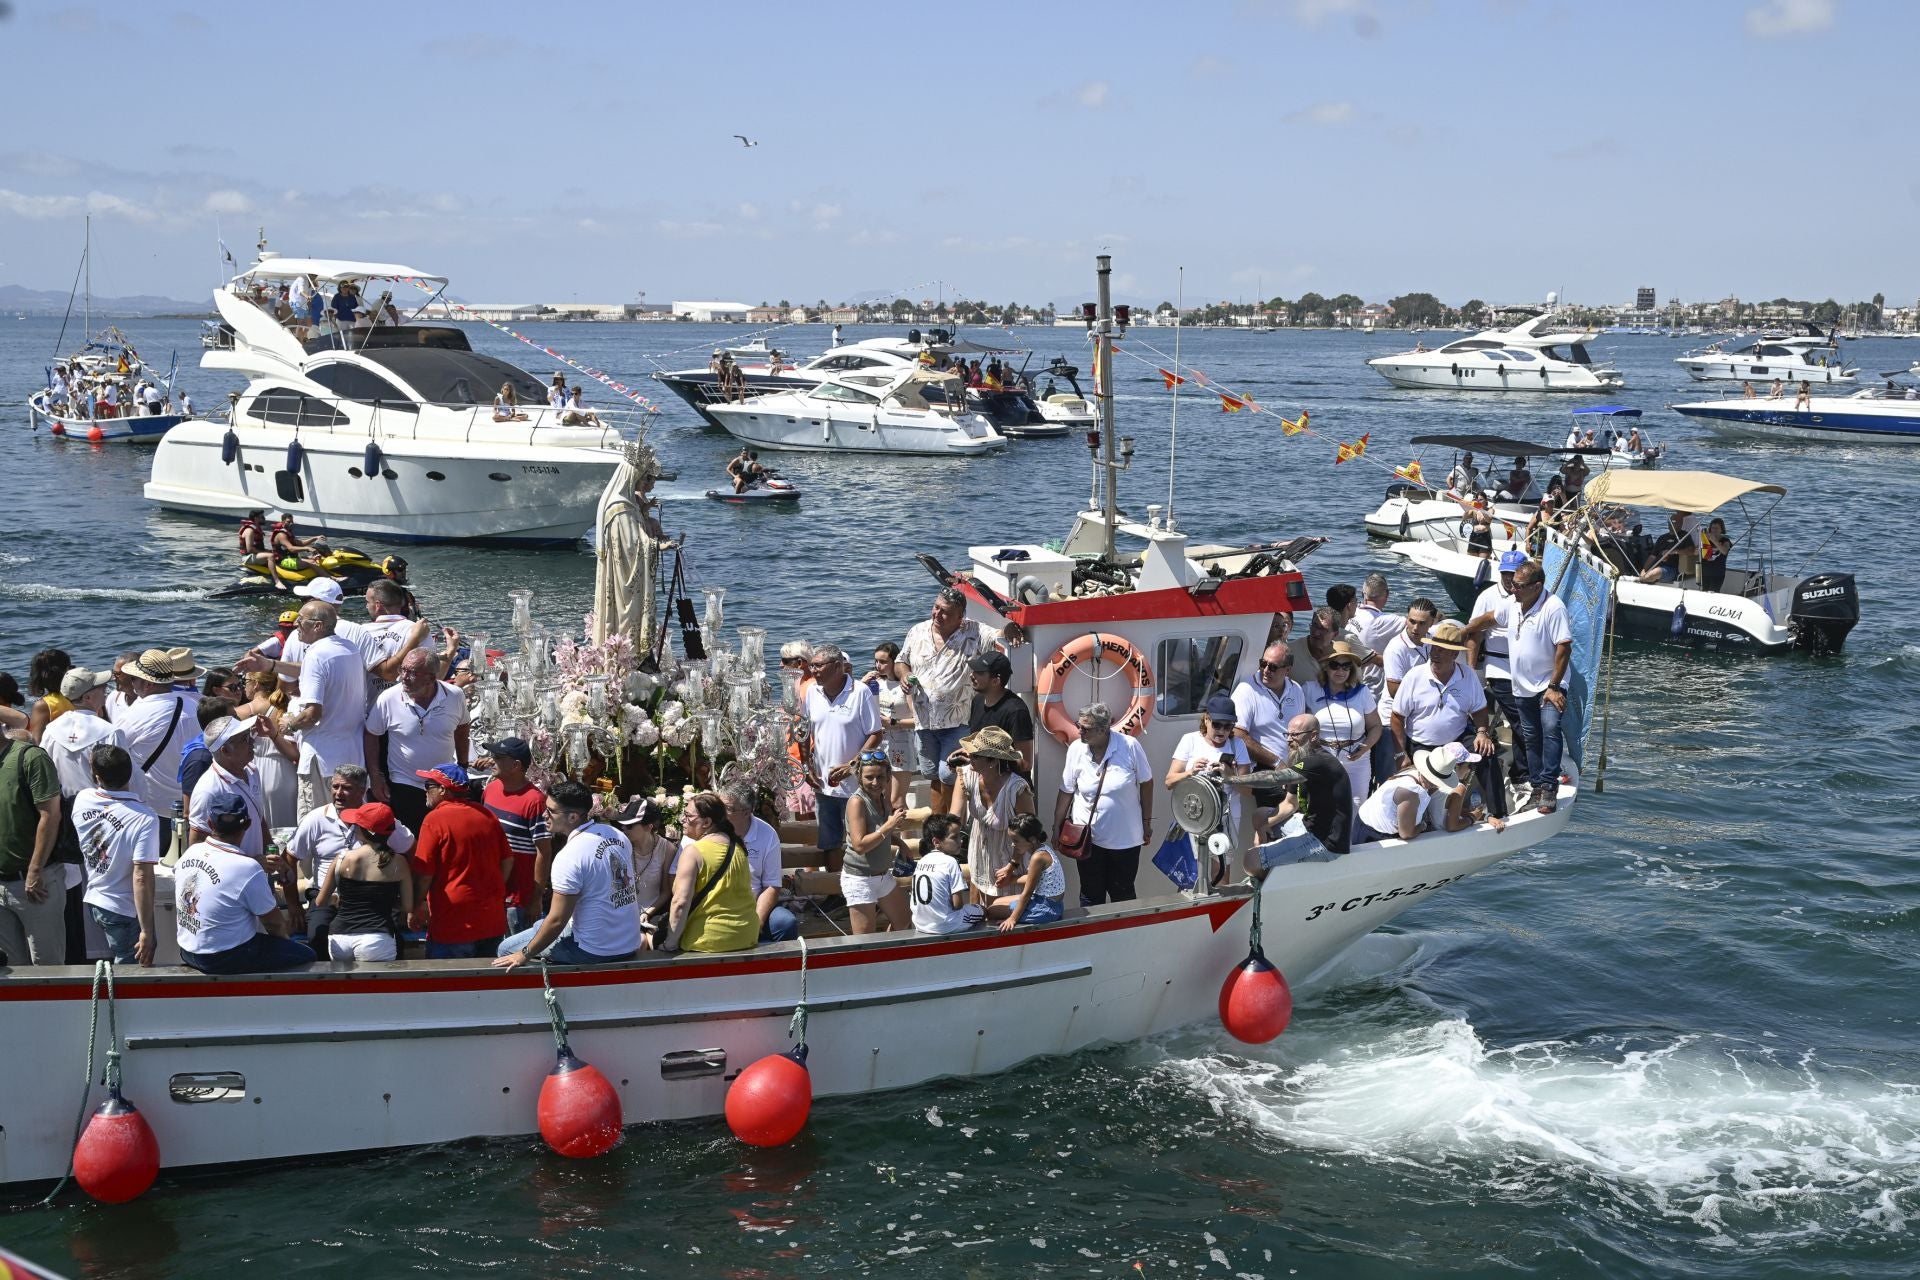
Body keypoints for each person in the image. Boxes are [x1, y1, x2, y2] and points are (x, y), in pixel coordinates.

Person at [495, 780, 640, 968]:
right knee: (539, 926)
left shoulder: (569, 857)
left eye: (550, 811)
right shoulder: (616, 834)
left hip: (591, 950)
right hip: (629, 942)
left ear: (573, 817)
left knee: (506, 949)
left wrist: (523, 954)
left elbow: (557, 921)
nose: (543, 815)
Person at [174, 794, 315, 974]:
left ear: (210, 823)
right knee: (308, 956)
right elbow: (274, 924)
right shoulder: (248, 868)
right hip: (223, 957)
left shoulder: (190, 852)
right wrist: (287, 947)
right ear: (247, 824)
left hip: (187, 951)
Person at [287, 763, 415, 957]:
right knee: (317, 935)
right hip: (326, 896)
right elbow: (289, 859)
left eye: (346, 788)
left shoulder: (378, 818)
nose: (338, 793)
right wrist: (293, 905)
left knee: (397, 939)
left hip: (372, 899)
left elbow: (412, 850)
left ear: (362, 791)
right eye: (335, 786)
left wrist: (414, 901)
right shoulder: (315, 819)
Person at [1476, 561, 1572, 815]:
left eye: (1518, 586)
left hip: (1550, 684)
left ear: (1536, 587)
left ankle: (1549, 787)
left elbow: (1564, 648)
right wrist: (1465, 630)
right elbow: (1490, 618)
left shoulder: (1553, 607)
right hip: (1521, 685)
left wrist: (1554, 687)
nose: (1512, 589)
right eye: (1512, 584)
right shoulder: (1512, 604)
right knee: (1530, 736)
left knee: (1550, 727)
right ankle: (1537, 789)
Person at [896, 586, 1001, 811]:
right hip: (924, 722)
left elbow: (999, 636)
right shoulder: (917, 631)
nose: (937, 614)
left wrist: (1011, 629)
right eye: (936, 607)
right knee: (932, 773)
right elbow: (901, 661)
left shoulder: (974, 631)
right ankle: (939, 821)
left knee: (949, 773)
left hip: (958, 722)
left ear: (960, 616)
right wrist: (904, 675)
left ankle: (953, 823)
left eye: (945, 612)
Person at [1391, 621, 1498, 813]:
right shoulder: (1414, 676)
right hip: (1420, 744)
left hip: (1457, 740)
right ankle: (1420, 820)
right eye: (1434, 648)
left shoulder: (1468, 675)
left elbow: (1480, 710)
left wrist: (1482, 732)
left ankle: (1498, 812)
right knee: (1417, 787)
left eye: (1441, 650)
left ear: (1455, 655)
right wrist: (1401, 754)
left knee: (1487, 753)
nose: (1435, 654)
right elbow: (1397, 717)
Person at [1053, 702, 1154, 906]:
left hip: (1125, 838)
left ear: (1103, 729)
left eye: (1085, 728)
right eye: (1079, 725)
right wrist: (1056, 827)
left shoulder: (1129, 746)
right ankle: (1092, 928)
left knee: (1123, 894)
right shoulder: (1076, 749)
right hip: (1087, 838)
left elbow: (1147, 783)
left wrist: (1146, 822)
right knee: (1090, 894)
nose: (1079, 731)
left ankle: (1123, 928)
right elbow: (1067, 790)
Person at [408, 763, 510, 959]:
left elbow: (424, 874)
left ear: (443, 790)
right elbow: (507, 861)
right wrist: (492, 889)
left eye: (428, 785)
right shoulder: (487, 815)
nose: (425, 791)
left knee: (447, 978)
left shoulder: (434, 819)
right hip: (491, 919)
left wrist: (415, 906)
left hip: (452, 923)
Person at [363, 648, 469, 832]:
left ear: (430, 677)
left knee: (445, 835)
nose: (403, 676)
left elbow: (462, 727)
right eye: (402, 669)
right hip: (404, 784)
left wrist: (462, 765)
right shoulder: (388, 698)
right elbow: (371, 734)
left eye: (412, 672)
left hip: (443, 785)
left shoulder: (455, 695)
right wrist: (375, 776)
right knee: (411, 839)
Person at [73, 744, 160, 965]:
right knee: (132, 975)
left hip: (96, 900)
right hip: (123, 909)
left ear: (97, 776)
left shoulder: (82, 799)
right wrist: (147, 931)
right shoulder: (145, 818)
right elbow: (141, 877)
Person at [282, 603, 369, 820]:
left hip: (321, 758)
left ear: (318, 626)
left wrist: (289, 724)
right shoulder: (350, 648)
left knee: (316, 824)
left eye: (301, 620)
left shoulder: (315, 655)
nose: (296, 624)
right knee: (350, 822)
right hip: (352, 755)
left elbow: (312, 714)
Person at [803, 644, 882, 869]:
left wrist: (852, 765)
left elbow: (876, 734)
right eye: (811, 666)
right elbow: (804, 732)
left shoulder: (860, 692)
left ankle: (861, 885)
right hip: (823, 785)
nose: (813, 670)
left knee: (859, 842)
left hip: (856, 787)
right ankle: (834, 887)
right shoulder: (812, 692)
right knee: (829, 844)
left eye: (818, 666)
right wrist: (807, 766)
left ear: (838, 666)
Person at [117, 647, 203, 842]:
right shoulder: (195, 706)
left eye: (134, 679)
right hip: (192, 805)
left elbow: (114, 756)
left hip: (151, 808)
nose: (132, 683)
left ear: (147, 684)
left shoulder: (133, 716)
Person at [313, 802, 413, 962]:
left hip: (339, 937)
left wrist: (336, 899)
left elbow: (320, 902)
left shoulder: (342, 859)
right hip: (378, 939)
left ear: (363, 830)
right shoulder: (399, 863)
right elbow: (408, 906)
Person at [0, 729, 65, 965]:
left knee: (48, 969)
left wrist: (35, 870)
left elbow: (50, 815)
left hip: (35, 884)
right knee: (9, 971)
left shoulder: (31, 757)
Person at [665, 791, 758, 953]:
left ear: (707, 822)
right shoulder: (738, 847)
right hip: (747, 935)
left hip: (710, 939)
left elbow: (680, 903)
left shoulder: (693, 852)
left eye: (688, 816)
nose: (682, 820)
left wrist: (669, 944)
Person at [950, 726, 1035, 899]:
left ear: (993, 761)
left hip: (1013, 861)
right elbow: (954, 817)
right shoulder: (965, 776)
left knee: (1007, 912)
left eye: (975, 755)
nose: (969, 758)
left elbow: (1028, 833)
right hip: (979, 855)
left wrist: (1012, 865)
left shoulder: (1017, 788)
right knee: (985, 909)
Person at [479, 737, 552, 933]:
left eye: (499, 757)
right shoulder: (491, 789)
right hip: (489, 892)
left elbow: (544, 852)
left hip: (518, 900)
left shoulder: (535, 801)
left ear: (516, 765)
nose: (492, 760)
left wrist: (536, 898)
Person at [1302, 639, 1381, 819]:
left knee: (1356, 806)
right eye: (1335, 665)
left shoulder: (1362, 692)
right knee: (1322, 806)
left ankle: (1351, 838)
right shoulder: (1309, 690)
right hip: (1322, 758)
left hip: (1357, 760)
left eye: (1346, 666)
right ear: (1325, 667)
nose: (1340, 671)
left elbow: (1376, 726)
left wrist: (1365, 747)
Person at [841, 750, 916, 934]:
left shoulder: (883, 799)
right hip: (860, 879)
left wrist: (899, 842)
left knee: (905, 922)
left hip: (883, 876)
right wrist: (889, 826)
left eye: (880, 777)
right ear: (859, 777)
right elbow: (860, 846)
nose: (875, 782)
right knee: (865, 941)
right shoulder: (856, 802)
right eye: (869, 777)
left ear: (888, 776)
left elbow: (878, 831)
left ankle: (888, 950)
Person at [1166, 693, 1253, 836]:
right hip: (1194, 815)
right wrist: (1190, 772)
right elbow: (1169, 782)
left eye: (1228, 726)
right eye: (1217, 724)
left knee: (1223, 852)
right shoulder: (1189, 740)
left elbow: (1247, 791)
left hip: (1226, 819)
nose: (1222, 731)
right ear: (1207, 719)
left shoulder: (1238, 745)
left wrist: (1230, 776)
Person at [722, 786, 798, 944]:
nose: (720, 812)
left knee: (785, 922)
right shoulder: (709, 828)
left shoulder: (767, 834)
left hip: (753, 906)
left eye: (727, 808)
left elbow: (771, 885)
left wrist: (757, 922)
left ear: (746, 812)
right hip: (718, 907)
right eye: (718, 805)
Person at [187, 714, 269, 860]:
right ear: (225, 751)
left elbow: (259, 819)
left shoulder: (252, 771)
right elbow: (197, 845)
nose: (252, 741)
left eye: (249, 735)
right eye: (244, 739)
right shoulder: (207, 790)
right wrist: (247, 864)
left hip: (257, 869)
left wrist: (270, 850)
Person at [41, 667, 124, 800]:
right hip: (103, 806)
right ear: (87, 697)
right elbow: (124, 778)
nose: (105, 688)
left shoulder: (51, 731)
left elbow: (44, 773)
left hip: (64, 806)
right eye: (100, 686)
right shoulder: (110, 732)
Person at [1353, 748, 1459, 844]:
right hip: (1373, 836)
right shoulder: (1411, 793)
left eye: (1435, 781)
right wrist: (1422, 826)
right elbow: (1406, 834)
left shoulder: (1411, 771)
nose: (1431, 783)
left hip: (1364, 824)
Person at [236, 670, 299, 829]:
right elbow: (294, 752)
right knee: (287, 827)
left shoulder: (240, 712)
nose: (243, 686)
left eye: (245, 681)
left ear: (256, 684)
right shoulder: (285, 707)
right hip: (285, 773)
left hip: (254, 772)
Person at [1231, 643, 1306, 775]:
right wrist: (1276, 762)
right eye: (1263, 663)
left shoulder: (1296, 689)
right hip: (1261, 769)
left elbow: (1302, 731)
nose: (1265, 670)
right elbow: (1237, 734)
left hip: (1293, 768)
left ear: (1287, 670)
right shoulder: (1246, 690)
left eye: (1273, 667)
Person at [613, 796, 677, 939]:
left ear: (649, 827)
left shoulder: (667, 849)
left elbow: (666, 891)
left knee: (645, 941)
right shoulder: (620, 847)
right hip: (623, 912)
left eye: (630, 825)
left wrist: (647, 913)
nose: (623, 828)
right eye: (622, 824)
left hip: (653, 912)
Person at [987, 812, 1066, 928]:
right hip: (1047, 902)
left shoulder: (1037, 858)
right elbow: (1033, 878)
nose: (1013, 845)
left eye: (1016, 840)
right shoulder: (1042, 849)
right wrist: (1010, 880)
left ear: (1032, 840)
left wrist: (1012, 919)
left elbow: (1027, 893)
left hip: (1046, 909)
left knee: (991, 911)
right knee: (996, 902)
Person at [963, 650, 1034, 776]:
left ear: (995, 681)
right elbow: (976, 745)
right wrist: (962, 754)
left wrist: (988, 761)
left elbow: (1025, 764)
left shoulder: (1016, 711)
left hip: (1007, 783)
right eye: (974, 670)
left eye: (979, 672)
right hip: (982, 777)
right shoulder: (977, 701)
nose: (972, 675)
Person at [911, 813, 982, 935]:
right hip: (946, 925)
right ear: (936, 842)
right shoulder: (950, 862)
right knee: (982, 910)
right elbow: (957, 905)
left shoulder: (921, 861)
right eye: (955, 837)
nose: (961, 840)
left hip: (920, 924)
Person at [866, 642, 916, 807]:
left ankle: (908, 824)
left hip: (901, 744)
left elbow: (919, 720)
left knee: (897, 800)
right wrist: (863, 683)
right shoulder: (876, 683)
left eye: (883, 662)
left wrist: (894, 722)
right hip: (881, 744)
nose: (878, 666)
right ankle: (891, 825)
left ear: (895, 661)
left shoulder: (906, 685)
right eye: (876, 661)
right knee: (884, 799)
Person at [25, 647, 74, 743]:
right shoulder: (80, 695)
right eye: (72, 667)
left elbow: (36, 742)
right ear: (67, 670)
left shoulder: (44, 705)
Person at [1700, 517, 1735, 593]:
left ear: (1721, 529)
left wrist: (1714, 540)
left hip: (1717, 573)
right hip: (1705, 572)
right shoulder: (1705, 540)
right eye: (1712, 528)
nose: (1714, 530)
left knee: (1713, 593)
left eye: (1717, 528)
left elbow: (1724, 551)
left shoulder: (1725, 541)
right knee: (1704, 593)